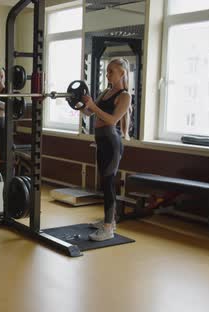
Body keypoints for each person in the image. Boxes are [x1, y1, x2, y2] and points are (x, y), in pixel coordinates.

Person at [80, 58, 132, 241]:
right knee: (104, 182)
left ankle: (108, 228)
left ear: (122, 73)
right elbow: (88, 112)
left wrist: (93, 105)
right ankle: (109, 221)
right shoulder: (105, 93)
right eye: (107, 71)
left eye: (112, 71)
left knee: (109, 183)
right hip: (101, 141)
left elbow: (111, 120)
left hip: (112, 143)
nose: (108, 74)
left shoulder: (125, 96)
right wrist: (79, 103)